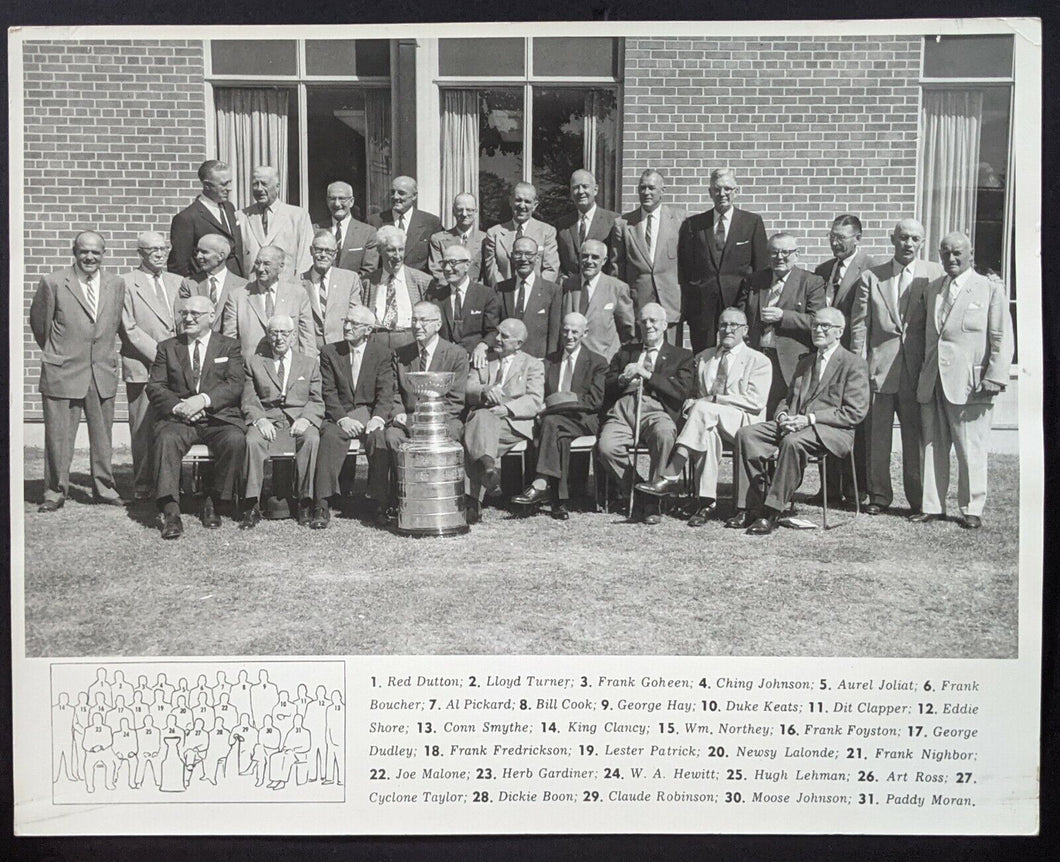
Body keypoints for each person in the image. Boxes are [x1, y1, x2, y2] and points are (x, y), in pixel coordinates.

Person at [728, 307, 870, 535]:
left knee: (793, 442)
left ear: (839, 331)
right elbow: (787, 399)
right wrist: (783, 416)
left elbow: (854, 413)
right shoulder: (805, 362)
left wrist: (809, 419)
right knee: (747, 434)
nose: (818, 330)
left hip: (831, 431)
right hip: (795, 423)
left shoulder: (853, 364)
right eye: (815, 325)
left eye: (825, 326)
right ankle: (749, 506)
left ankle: (771, 512)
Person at [910, 231, 1012, 529]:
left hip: (971, 384)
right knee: (931, 445)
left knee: (971, 447)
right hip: (933, 380)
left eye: (957, 253)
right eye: (945, 253)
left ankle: (972, 507)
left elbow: (1001, 336)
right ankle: (932, 505)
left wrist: (995, 375)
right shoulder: (933, 289)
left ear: (970, 255)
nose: (951, 258)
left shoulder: (988, 288)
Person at [850, 219, 943, 515]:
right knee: (877, 437)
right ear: (893, 239)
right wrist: (859, 369)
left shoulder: (934, 275)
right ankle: (879, 496)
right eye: (903, 237)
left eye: (915, 239)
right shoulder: (871, 277)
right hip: (878, 369)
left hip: (916, 371)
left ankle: (918, 500)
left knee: (916, 439)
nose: (908, 244)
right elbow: (858, 327)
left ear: (922, 242)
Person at [30, 231, 125, 511]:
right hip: (63, 371)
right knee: (58, 437)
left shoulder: (115, 284)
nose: (89, 257)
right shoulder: (54, 282)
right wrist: (61, 353)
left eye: (96, 252)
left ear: (103, 254)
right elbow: (40, 325)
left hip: (101, 371)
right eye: (84, 251)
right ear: (74, 252)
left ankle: (104, 489)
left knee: (103, 437)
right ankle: (54, 492)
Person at [147, 295, 247, 539]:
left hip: (217, 417)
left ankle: (213, 500)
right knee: (166, 440)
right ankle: (171, 511)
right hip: (179, 418)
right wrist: (180, 407)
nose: (188, 318)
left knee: (235, 440)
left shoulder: (229, 346)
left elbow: (234, 384)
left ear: (211, 317)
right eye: (184, 313)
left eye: (195, 314)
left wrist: (202, 401)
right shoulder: (168, 347)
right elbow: (156, 386)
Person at [597, 303, 694, 524]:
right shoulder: (626, 352)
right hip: (624, 407)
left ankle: (654, 501)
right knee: (607, 447)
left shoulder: (681, 355)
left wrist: (646, 374)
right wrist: (622, 379)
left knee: (665, 434)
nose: (648, 325)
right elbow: (608, 384)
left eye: (653, 321)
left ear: (664, 325)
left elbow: (680, 390)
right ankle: (640, 491)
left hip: (656, 408)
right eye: (643, 321)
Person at [378, 302, 469, 524]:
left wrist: (423, 421)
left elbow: (455, 400)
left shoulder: (456, 354)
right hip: (407, 418)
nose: (417, 326)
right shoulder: (401, 355)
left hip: (443, 419)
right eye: (414, 320)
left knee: (452, 435)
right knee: (391, 437)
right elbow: (395, 393)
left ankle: (447, 496)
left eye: (424, 321)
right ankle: (398, 497)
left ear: (437, 324)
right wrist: (399, 412)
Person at [512, 312, 608, 520]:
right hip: (554, 423)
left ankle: (541, 482)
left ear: (585, 332)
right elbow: (538, 394)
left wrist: (558, 401)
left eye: (575, 331)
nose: (570, 335)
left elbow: (595, 401)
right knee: (558, 434)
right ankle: (559, 502)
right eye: (565, 330)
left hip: (584, 420)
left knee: (551, 423)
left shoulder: (597, 362)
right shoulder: (549, 361)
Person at [813, 214, 879, 505]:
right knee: (824, 413)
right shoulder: (823, 269)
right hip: (826, 357)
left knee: (854, 422)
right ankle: (828, 489)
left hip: (853, 357)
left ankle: (856, 490)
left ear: (857, 238)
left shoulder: (872, 269)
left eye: (841, 237)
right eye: (832, 236)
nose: (835, 242)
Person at [312, 306, 395, 529]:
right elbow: (327, 391)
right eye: (346, 321)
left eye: (354, 324)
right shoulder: (330, 352)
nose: (347, 327)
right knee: (329, 437)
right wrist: (342, 419)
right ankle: (322, 503)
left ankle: (378, 502)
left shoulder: (382, 354)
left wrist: (378, 418)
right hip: (340, 414)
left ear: (368, 329)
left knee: (379, 439)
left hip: (369, 414)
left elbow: (385, 392)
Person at [240, 315, 324, 528]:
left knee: (312, 439)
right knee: (252, 441)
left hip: (298, 420)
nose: (279, 338)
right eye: (274, 333)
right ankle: (252, 504)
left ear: (293, 336)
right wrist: (259, 419)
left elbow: (316, 399)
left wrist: (306, 419)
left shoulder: (309, 364)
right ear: (268, 336)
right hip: (267, 419)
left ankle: (305, 501)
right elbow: (249, 398)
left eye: (285, 333)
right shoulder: (254, 362)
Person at [462, 318, 545, 523]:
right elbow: (468, 388)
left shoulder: (532, 364)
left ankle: (473, 501)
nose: (497, 338)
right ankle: (489, 468)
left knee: (472, 440)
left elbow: (535, 400)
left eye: (504, 336)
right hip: (483, 417)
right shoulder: (484, 359)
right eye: (497, 333)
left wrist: (507, 409)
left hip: (512, 423)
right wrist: (484, 390)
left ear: (518, 344)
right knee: (481, 420)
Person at [120, 231, 183, 499]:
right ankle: (144, 482)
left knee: (175, 424)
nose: (159, 253)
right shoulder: (125, 283)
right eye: (152, 249)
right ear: (140, 253)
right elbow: (129, 329)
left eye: (163, 248)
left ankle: (174, 481)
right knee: (143, 427)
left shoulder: (178, 281)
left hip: (178, 367)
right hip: (143, 364)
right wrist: (162, 356)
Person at [736, 232, 826, 418]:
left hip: (790, 360)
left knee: (784, 410)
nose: (780, 257)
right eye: (774, 252)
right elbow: (741, 314)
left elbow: (818, 322)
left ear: (797, 254)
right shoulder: (755, 280)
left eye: (786, 252)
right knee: (756, 408)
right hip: (757, 355)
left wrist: (784, 316)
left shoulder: (811, 282)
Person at [679, 168, 769, 352]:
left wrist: (751, 306)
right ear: (710, 192)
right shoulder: (694, 224)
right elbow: (685, 268)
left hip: (739, 303)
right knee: (703, 356)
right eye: (717, 189)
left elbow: (761, 268)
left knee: (737, 355)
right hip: (703, 307)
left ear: (737, 191)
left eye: (727, 189)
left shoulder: (751, 223)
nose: (722, 194)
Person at [611, 169, 688, 344]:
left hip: (670, 302)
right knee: (639, 356)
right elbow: (617, 269)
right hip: (638, 303)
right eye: (642, 188)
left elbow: (687, 263)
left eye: (652, 188)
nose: (646, 192)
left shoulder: (679, 219)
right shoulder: (623, 224)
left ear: (663, 190)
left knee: (670, 359)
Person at [222, 245, 316, 359]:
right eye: (257, 263)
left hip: (287, 369)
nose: (260, 269)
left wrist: (306, 370)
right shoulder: (237, 296)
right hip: (249, 369)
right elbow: (229, 342)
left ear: (281, 266)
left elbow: (307, 339)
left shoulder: (298, 295)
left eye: (266, 264)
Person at [167, 159, 246, 278]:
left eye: (230, 182)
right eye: (223, 184)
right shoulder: (187, 218)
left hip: (235, 282)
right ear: (207, 185)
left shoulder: (229, 208)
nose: (229, 188)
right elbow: (179, 265)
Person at [560, 239, 635, 361]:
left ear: (604, 261)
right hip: (571, 359)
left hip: (604, 359)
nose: (589, 261)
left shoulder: (617, 288)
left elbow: (627, 329)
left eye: (595, 257)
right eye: (585, 256)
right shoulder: (567, 285)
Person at [426, 243, 501, 364]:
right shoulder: (435, 297)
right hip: (444, 361)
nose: (447, 268)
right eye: (444, 263)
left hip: (476, 360)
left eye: (453, 263)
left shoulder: (486, 294)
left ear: (467, 265)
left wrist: (483, 345)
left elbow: (493, 330)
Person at [490, 236, 563, 359]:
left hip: (538, 359)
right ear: (512, 256)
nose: (524, 259)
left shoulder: (552, 290)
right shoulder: (501, 288)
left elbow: (554, 333)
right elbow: (494, 326)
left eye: (529, 254)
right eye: (518, 254)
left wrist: (550, 361)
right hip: (506, 359)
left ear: (537, 258)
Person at [363, 225, 433, 351]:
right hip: (376, 342)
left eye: (400, 250)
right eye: (391, 250)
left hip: (409, 341)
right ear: (379, 250)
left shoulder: (422, 281)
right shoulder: (367, 282)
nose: (397, 256)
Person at [240, 165, 315, 275]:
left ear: (277, 187)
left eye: (264, 184)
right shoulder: (241, 216)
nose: (259, 189)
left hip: (286, 287)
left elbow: (306, 260)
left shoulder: (298, 216)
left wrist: (299, 289)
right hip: (251, 288)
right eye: (255, 184)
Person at [483, 182, 560, 286]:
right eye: (518, 200)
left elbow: (551, 269)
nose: (522, 206)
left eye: (527, 201)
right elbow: (491, 270)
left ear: (535, 205)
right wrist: (503, 294)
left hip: (536, 296)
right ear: (510, 201)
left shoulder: (547, 232)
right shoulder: (494, 233)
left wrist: (536, 294)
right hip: (503, 295)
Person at [300, 229, 364, 349]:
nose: (323, 255)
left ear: (335, 255)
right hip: (310, 352)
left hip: (341, 351)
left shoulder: (350, 279)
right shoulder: (297, 282)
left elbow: (355, 318)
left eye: (328, 251)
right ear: (311, 251)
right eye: (318, 250)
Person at [366, 175, 444, 273]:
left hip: (417, 284)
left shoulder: (430, 222)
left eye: (401, 193)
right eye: (392, 192)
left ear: (414, 196)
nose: (395, 197)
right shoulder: (375, 221)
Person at [555, 169, 618, 281]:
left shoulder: (613, 221)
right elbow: (558, 261)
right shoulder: (562, 224)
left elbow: (617, 262)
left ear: (595, 190)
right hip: (571, 291)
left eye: (585, 186)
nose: (580, 191)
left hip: (602, 290)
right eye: (576, 187)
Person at [177, 234, 248, 330]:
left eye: (204, 252)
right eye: (197, 251)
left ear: (220, 256)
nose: (198, 256)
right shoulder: (189, 283)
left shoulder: (242, 286)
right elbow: (182, 320)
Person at [427, 193, 488, 285]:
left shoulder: (485, 239)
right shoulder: (438, 239)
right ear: (453, 211)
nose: (464, 214)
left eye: (469, 210)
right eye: (460, 210)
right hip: (448, 292)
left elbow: (487, 272)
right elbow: (437, 271)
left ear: (476, 212)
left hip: (477, 293)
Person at [322, 181, 376, 275]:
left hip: (354, 288)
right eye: (332, 199)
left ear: (351, 202)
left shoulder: (368, 232)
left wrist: (347, 286)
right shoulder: (316, 230)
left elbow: (368, 271)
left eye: (342, 199)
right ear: (327, 201)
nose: (337, 204)